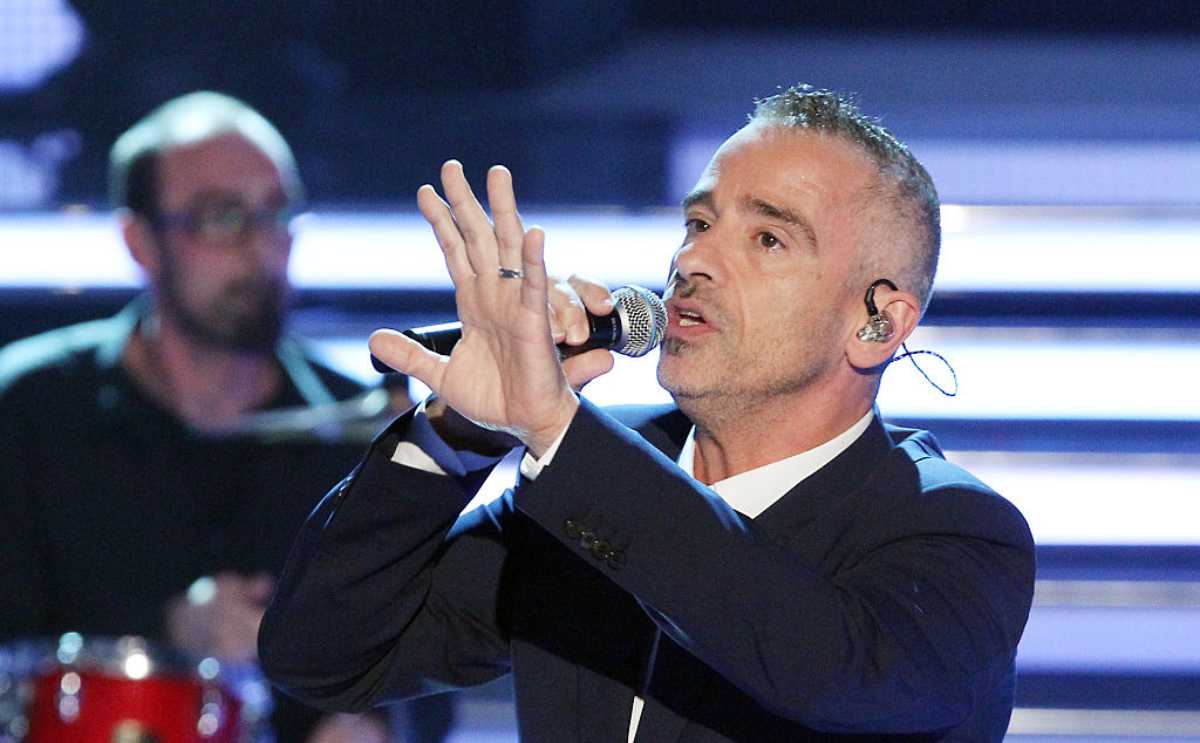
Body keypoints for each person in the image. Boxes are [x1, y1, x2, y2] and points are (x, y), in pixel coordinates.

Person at [259, 85, 1036, 741]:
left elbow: (829, 668)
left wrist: (559, 433)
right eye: (699, 223)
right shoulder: (586, 481)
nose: (692, 261)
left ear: (877, 324)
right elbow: (324, 656)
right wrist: (458, 432)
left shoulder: (957, 533)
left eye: (768, 238)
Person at [0, 91, 400, 742]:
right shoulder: (26, 410)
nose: (261, 247)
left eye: (278, 213)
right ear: (140, 240)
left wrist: (370, 720)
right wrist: (164, 633)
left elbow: (434, 657)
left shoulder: (361, 428)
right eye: (221, 217)